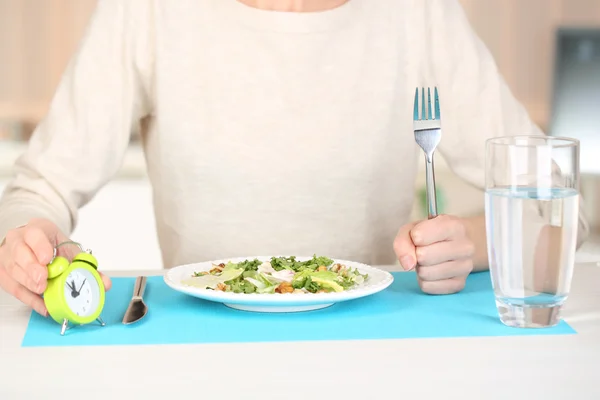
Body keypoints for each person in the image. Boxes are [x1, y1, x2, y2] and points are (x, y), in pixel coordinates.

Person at [0, 0, 589, 317]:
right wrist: (25, 243)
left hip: (381, 354)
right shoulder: (148, 10)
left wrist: (478, 242)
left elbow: (566, 206)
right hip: (198, 362)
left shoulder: (419, 12)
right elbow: (36, 194)